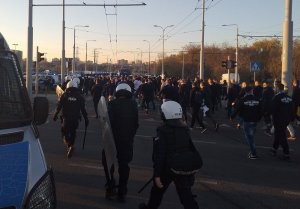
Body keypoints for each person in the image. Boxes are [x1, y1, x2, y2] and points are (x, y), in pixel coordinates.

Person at [139, 101, 199, 209]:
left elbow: (159, 155)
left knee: (157, 193)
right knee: (186, 196)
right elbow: (190, 150)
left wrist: (157, 175)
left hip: (167, 168)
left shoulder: (162, 131)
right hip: (182, 166)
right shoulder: (185, 129)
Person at [107, 83, 139, 202]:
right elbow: (136, 124)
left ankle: (110, 186)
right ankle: (122, 191)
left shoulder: (112, 104)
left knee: (109, 163)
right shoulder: (133, 105)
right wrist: (130, 136)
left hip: (112, 139)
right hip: (127, 140)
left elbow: (108, 122)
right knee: (124, 165)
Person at [53, 79, 89, 158]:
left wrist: (55, 115)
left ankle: (68, 145)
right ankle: (71, 145)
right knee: (73, 132)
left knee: (64, 131)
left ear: (67, 87)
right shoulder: (80, 96)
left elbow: (59, 106)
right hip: (75, 118)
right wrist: (86, 119)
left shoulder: (65, 95)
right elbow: (83, 109)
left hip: (66, 118)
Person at [231, 86, 262, 159]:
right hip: (254, 120)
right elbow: (261, 109)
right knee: (251, 136)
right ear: (251, 91)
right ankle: (252, 151)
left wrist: (232, 116)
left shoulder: (243, 100)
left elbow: (237, 109)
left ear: (245, 91)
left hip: (247, 120)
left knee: (249, 137)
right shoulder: (257, 99)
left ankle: (253, 153)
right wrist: (258, 118)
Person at [270, 83, 295, 160]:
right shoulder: (289, 98)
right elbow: (292, 109)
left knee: (281, 136)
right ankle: (274, 149)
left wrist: (271, 117)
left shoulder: (277, 97)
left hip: (278, 119)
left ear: (277, 88)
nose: (275, 89)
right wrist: (292, 118)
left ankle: (286, 152)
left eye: (275, 88)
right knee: (278, 133)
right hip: (286, 120)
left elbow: (273, 109)